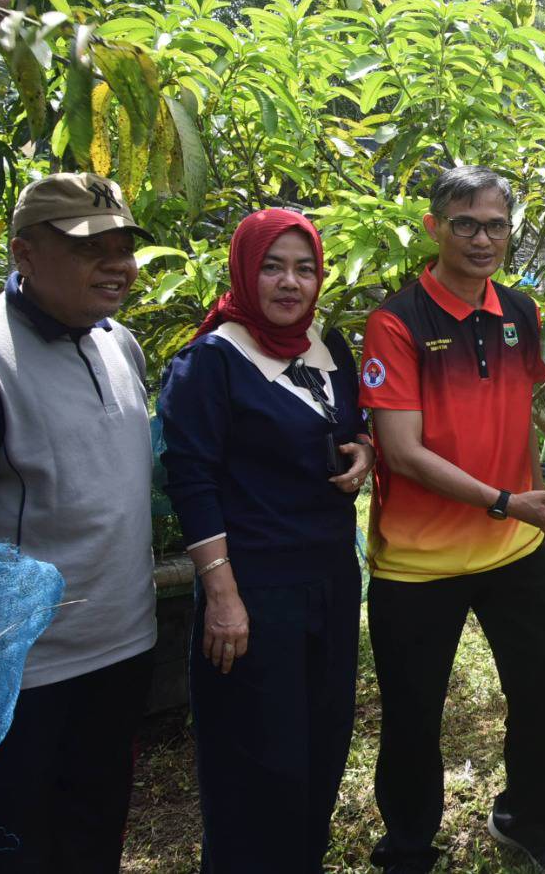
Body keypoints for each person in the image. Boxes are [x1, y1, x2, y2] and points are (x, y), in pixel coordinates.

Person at [360, 166, 545, 873]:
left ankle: (529, 817)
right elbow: (402, 450)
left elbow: (522, 426)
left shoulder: (521, 311)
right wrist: (506, 501)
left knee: (543, 688)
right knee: (414, 714)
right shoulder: (397, 321)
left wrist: (539, 510)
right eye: (466, 223)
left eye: (496, 225)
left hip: (513, 545)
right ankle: (409, 843)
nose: (482, 238)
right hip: (418, 561)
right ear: (435, 227)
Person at [157, 209, 375, 872]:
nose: (290, 282)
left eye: (304, 267)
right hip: (253, 592)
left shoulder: (329, 346)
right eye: (272, 267)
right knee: (257, 761)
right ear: (245, 272)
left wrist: (364, 449)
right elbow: (191, 480)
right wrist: (221, 592)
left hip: (332, 581)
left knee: (321, 745)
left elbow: (352, 424)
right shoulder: (209, 362)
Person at [0, 173, 157, 872]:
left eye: (123, 247)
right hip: (30, 669)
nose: (116, 265)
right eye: (93, 248)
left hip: (123, 641)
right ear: (24, 254)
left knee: (96, 828)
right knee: (23, 842)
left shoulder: (119, 344)